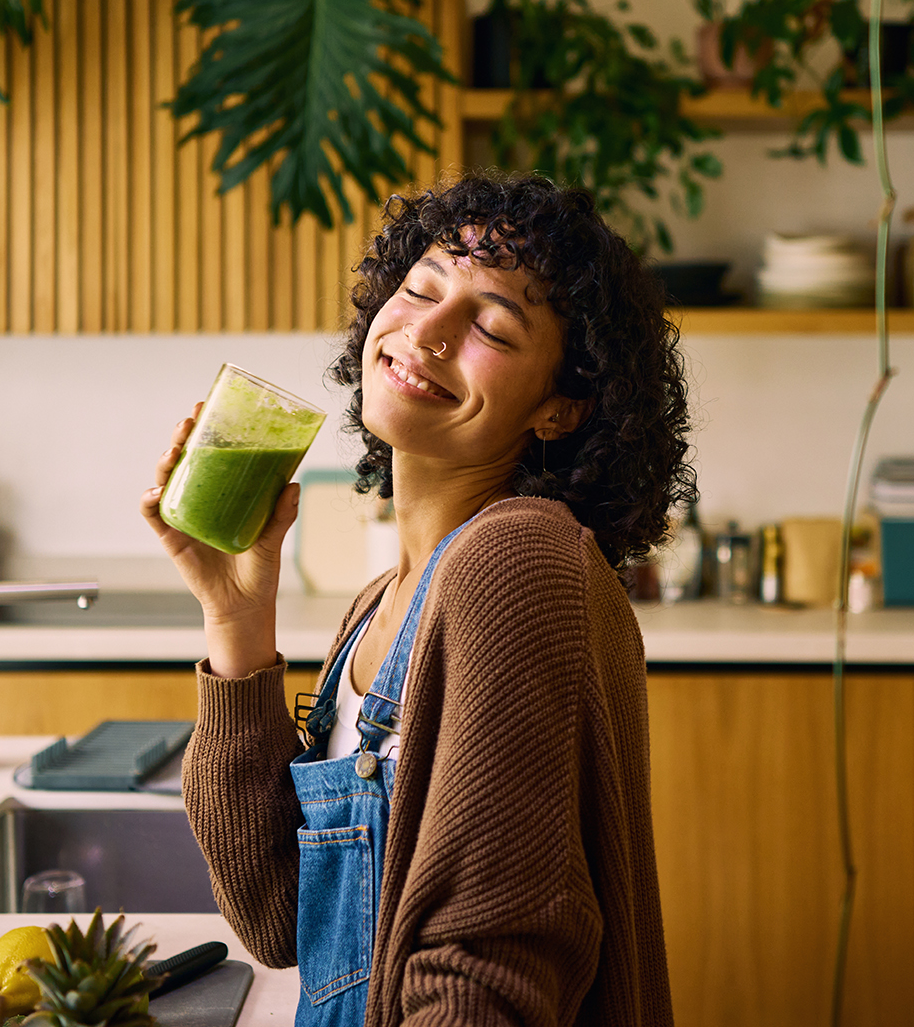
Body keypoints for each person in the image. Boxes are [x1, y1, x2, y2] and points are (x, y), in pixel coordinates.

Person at [142, 172, 693, 1027]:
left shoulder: (516, 558)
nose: (426, 332)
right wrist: (236, 622)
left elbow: (484, 974)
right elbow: (280, 920)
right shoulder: (381, 603)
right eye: (419, 289)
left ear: (559, 406)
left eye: (491, 327)